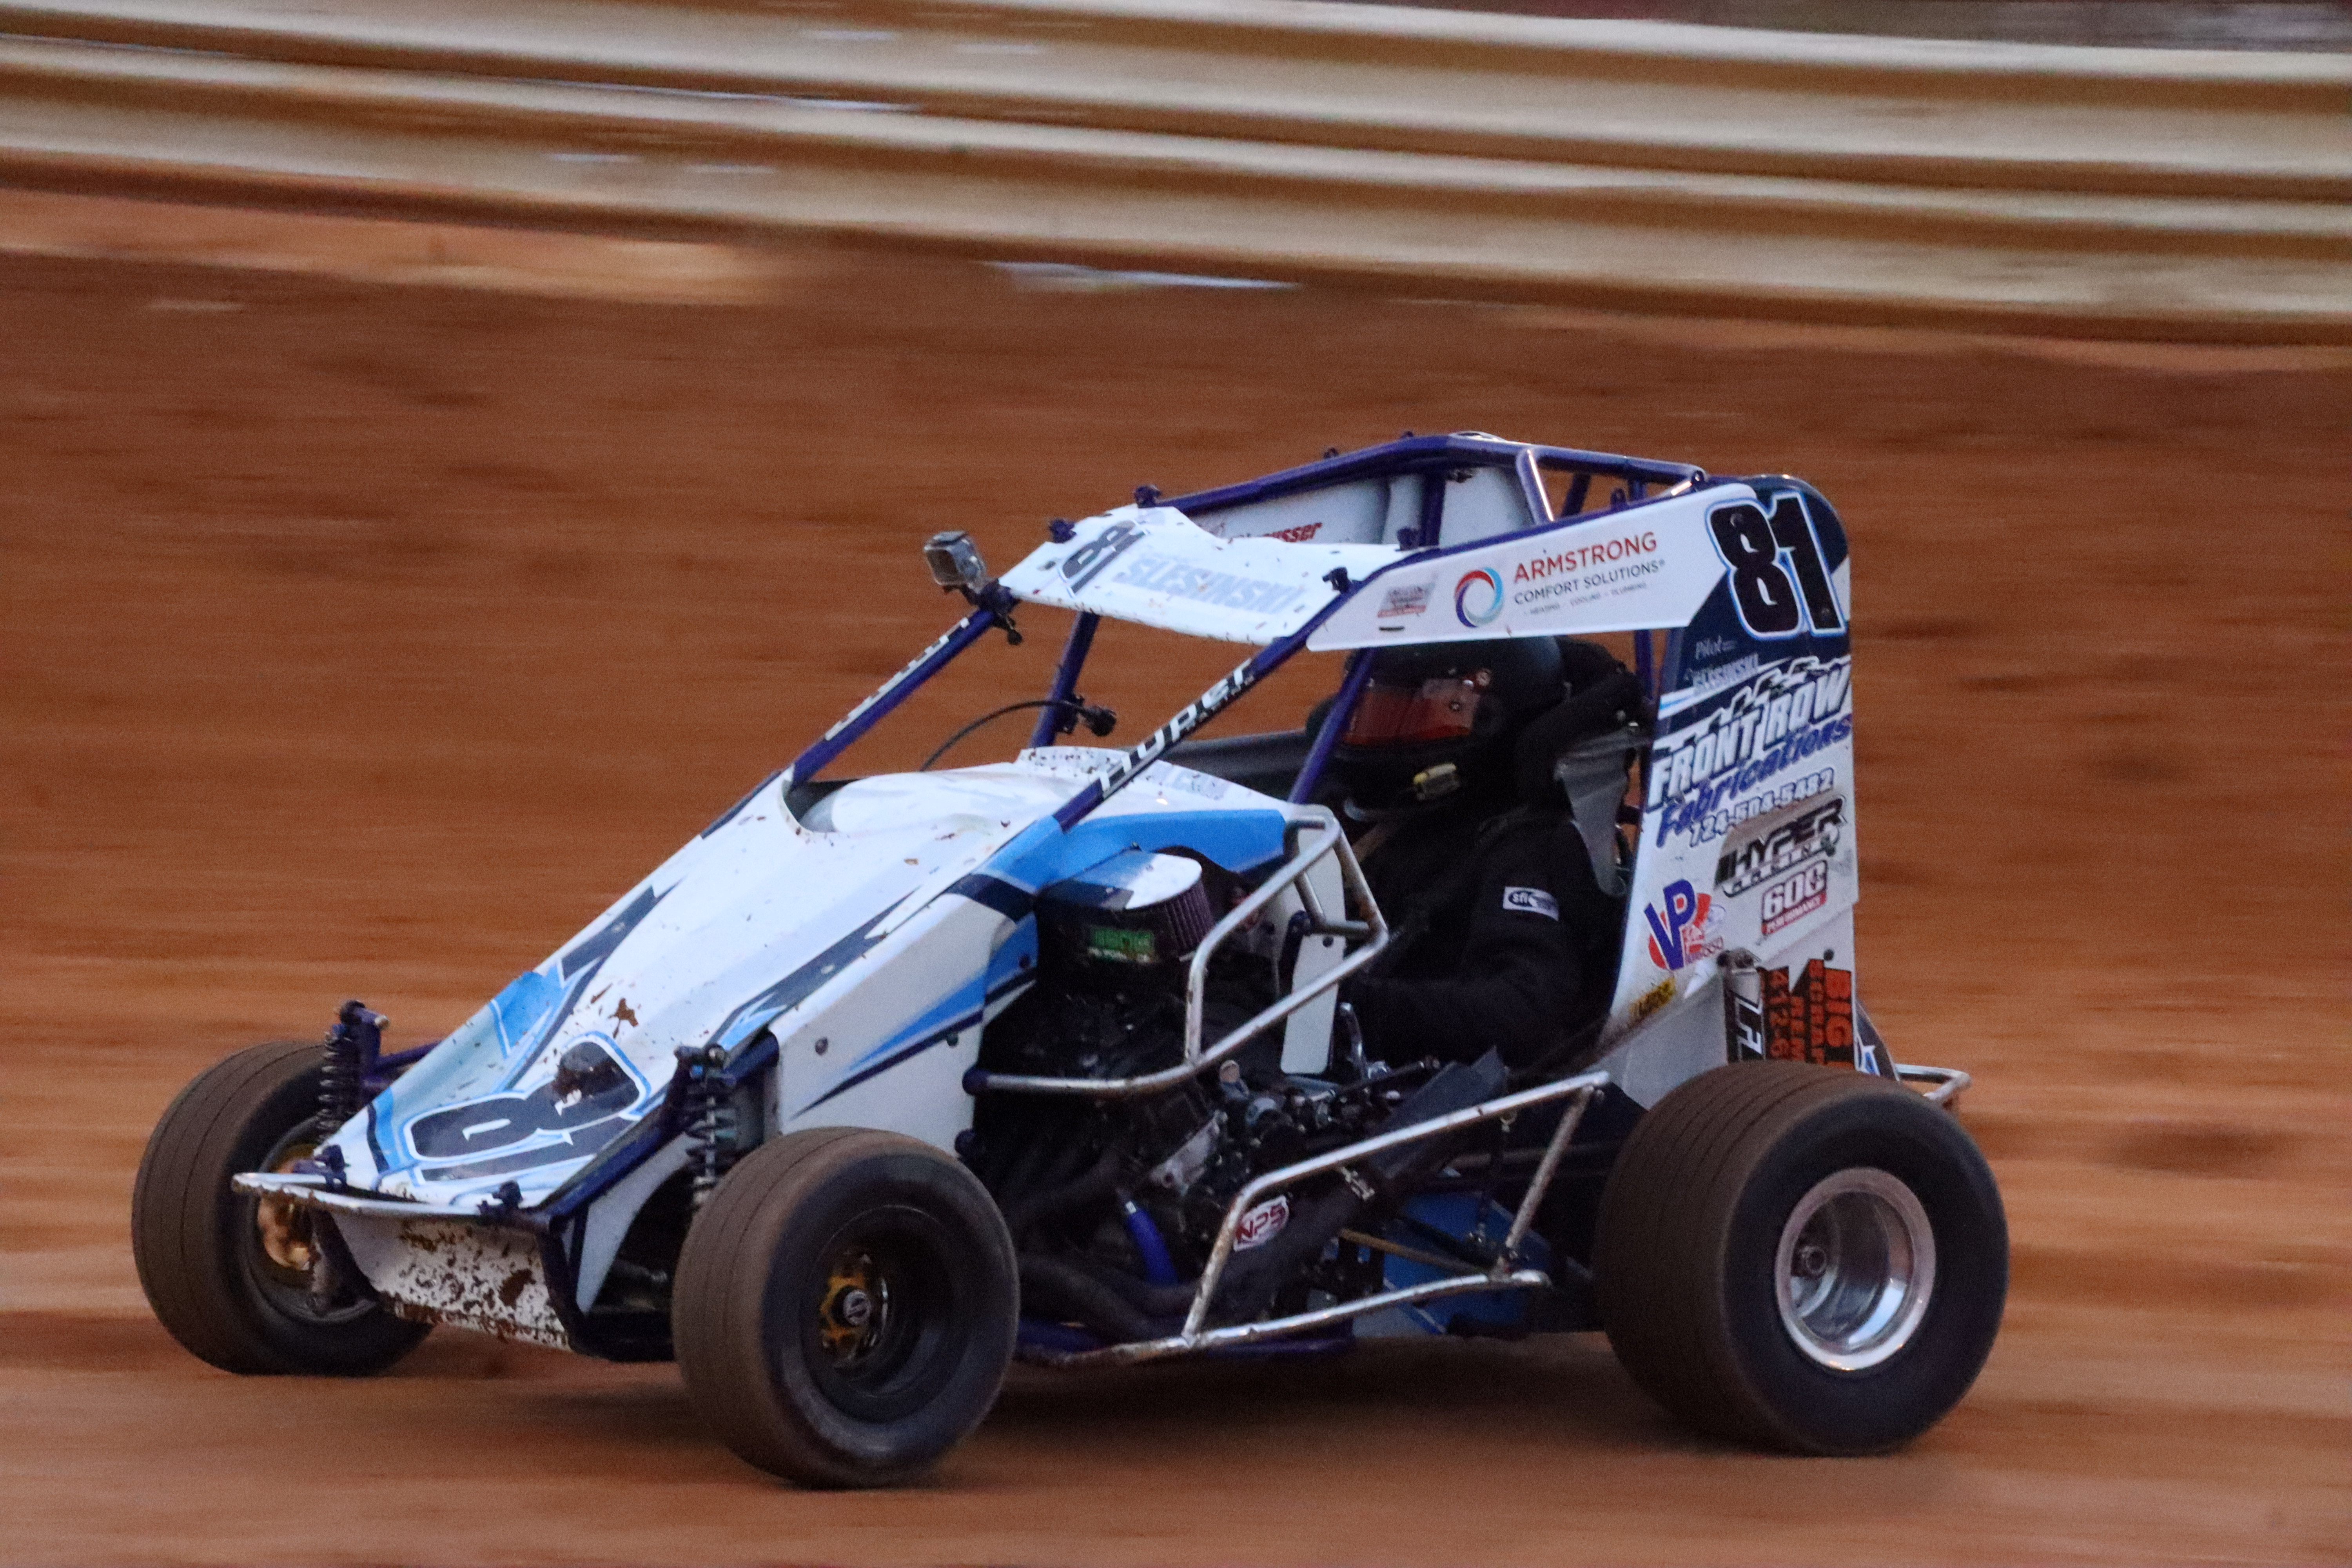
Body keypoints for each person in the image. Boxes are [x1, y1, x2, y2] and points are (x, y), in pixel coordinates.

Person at [1316, 637, 1643, 1071]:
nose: (1390, 729)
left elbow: (1524, 1010)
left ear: (1495, 720)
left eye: (1432, 711)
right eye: (1382, 709)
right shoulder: (1383, 818)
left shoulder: (1525, 847)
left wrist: (1350, 1008)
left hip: (1414, 1090)